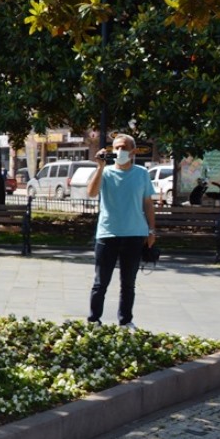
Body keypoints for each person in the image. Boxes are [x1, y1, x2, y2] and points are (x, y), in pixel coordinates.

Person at [86, 134, 156, 329]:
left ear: (133, 151)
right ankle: (94, 320)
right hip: (108, 233)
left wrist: (152, 231)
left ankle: (125, 321)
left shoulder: (141, 173)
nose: (119, 152)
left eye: (124, 148)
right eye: (115, 148)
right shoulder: (106, 172)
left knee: (128, 283)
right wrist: (99, 167)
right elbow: (91, 193)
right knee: (101, 282)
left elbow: (148, 204)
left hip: (135, 234)